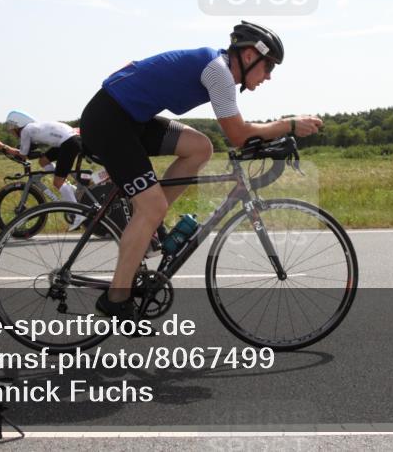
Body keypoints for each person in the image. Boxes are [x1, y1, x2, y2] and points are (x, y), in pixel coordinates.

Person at [79, 21, 323, 319]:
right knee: (151, 206)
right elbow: (238, 134)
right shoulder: (218, 72)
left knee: (199, 147)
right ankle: (116, 299)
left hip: (130, 118)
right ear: (249, 56)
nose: (269, 76)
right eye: (269, 66)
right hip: (110, 121)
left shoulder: (217, 66)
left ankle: (149, 225)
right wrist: (290, 124)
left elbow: (239, 135)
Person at [0, 111, 85, 229]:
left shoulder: (25, 131)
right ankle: (67, 186)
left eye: (11, 129)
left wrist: (3, 146)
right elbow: (33, 154)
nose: (12, 133)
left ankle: (78, 215)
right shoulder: (32, 128)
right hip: (69, 140)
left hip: (69, 143)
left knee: (57, 182)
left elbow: (23, 155)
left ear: (17, 126)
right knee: (43, 161)